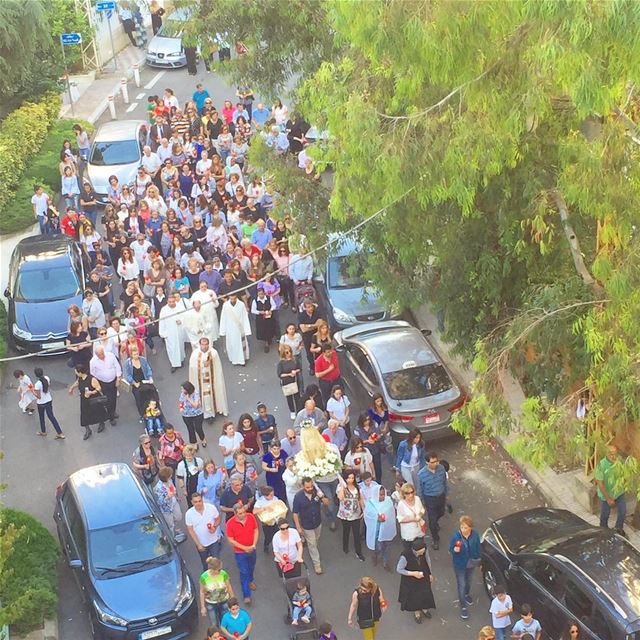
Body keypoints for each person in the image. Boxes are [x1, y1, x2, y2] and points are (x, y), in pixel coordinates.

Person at [292, 477, 330, 575]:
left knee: (316, 540)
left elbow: (327, 503)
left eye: (311, 486)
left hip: (317, 522)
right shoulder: (298, 497)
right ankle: (317, 564)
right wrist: (298, 527)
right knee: (312, 544)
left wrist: (322, 497)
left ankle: (313, 550)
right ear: (303, 486)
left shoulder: (317, 492)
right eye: (307, 487)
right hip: (306, 524)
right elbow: (295, 513)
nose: (310, 489)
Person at [449, 515, 482, 620]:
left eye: (466, 527)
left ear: (470, 528)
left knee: (469, 581)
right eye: (462, 527)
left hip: (471, 562)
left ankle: (467, 594)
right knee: (461, 584)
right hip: (460, 564)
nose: (463, 530)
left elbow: (478, 548)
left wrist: (479, 560)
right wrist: (454, 550)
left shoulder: (475, 535)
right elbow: (451, 549)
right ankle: (463, 606)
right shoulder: (456, 537)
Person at [226, 503, 259, 605]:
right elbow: (231, 540)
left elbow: (256, 530)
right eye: (240, 513)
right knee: (244, 571)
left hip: (252, 549)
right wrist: (245, 548)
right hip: (240, 552)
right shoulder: (230, 523)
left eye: (244, 512)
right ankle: (247, 595)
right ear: (235, 514)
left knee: (251, 567)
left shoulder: (251, 517)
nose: (243, 515)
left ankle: (251, 580)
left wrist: (253, 544)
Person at [396, 539, 436, 624]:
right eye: (421, 552)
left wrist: (430, 573)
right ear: (416, 551)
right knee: (414, 596)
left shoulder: (424, 550)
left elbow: (427, 560)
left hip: (423, 574)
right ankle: (417, 612)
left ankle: (425, 609)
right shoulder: (405, 555)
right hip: (411, 579)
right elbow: (399, 569)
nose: (422, 553)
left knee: (425, 592)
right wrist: (413, 573)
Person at [417, 451, 448, 550]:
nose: (435, 464)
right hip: (430, 499)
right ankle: (435, 539)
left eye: (436, 461)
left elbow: (444, 482)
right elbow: (420, 489)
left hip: (441, 496)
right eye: (433, 462)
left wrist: (446, 494)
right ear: (427, 463)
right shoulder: (421, 474)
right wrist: (420, 503)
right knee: (432, 522)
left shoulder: (441, 469)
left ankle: (436, 522)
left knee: (441, 513)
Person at [595, 444, 627, 535]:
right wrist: (608, 498)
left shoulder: (619, 462)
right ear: (606, 454)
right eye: (611, 454)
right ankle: (603, 531)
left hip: (619, 493)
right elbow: (600, 483)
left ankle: (618, 528)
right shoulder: (601, 465)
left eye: (615, 454)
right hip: (606, 495)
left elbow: (623, 475)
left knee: (623, 511)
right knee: (605, 514)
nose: (614, 456)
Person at [186, 492, 223, 569]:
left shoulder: (211, 508)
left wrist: (215, 527)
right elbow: (190, 530)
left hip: (213, 541)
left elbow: (218, 519)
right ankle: (208, 579)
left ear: (202, 500)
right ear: (192, 502)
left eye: (200, 501)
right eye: (195, 502)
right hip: (201, 543)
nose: (198, 503)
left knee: (216, 562)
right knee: (205, 563)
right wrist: (198, 544)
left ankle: (218, 578)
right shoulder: (189, 514)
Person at [364, 485, 396, 570]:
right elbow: (367, 515)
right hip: (376, 532)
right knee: (378, 547)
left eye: (383, 494)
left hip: (386, 529)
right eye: (380, 495)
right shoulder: (370, 503)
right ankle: (375, 556)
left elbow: (391, 513)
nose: (382, 496)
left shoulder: (388, 501)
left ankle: (385, 562)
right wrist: (376, 518)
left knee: (387, 546)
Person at [69, 363, 104, 440]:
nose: (75, 373)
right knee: (84, 414)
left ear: (80, 372)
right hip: (84, 399)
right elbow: (77, 382)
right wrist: (72, 388)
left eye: (76, 372)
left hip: (93, 399)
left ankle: (101, 423)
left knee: (97, 411)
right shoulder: (80, 378)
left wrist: (91, 392)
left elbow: (99, 388)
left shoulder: (92, 379)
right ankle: (88, 430)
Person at [89, 345, 121, 426]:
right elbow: (92, 373)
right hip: (103, 382)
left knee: (113, 398)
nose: (102, 356)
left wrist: (118, 378)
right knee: (109, 399)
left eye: (102, 354)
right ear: (96, 355)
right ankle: (111, 417)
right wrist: (97, 383)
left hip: (113, 381)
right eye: (99, 355)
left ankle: (112, 411)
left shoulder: (111, 355)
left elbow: (117, 366)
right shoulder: (93, 361)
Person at [337, 469, 365, 561]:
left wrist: (363, 510)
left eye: (352, 478)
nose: (351, 480)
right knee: (346, 531)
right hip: (345, 514)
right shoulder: (341, 487)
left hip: (356, 514)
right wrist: (342, 486)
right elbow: (340, 497)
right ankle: (345, 546)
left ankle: (359, 552)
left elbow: (360, 499)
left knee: (356, 534)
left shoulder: (357, 487)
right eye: (349, 478)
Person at [200, 557, 234, 628]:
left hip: (224, 601)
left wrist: (233, 598)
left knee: (225, 621)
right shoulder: (204, 577)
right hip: (211, 603)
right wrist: (203, 607)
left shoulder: (223, 574)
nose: (221, 570)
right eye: (219, 569)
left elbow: (228, 586)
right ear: (212, 570)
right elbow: (202, 592)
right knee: (214, 624)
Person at [123, 344, 154, 421]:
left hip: (145, 381)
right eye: (134, 354)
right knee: (139, 400)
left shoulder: (143, 359)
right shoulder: (128, 363)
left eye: (137, 353)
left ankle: (152, 412)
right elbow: (128, 375)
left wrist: (150, 377)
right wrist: (134, 383)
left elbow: (148, 368)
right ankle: (142, 415)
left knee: (150, 397)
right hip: (136, 384)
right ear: (131, 355)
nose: (136, 355)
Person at [253, 485, 288, 553]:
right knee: (268, 536)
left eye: (273, 494)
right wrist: (264, 508)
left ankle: (279, 548)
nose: (272, 496)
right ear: (265, 496)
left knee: (278, 534)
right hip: (267, 523)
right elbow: (254, 511)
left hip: (276, 520)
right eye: (270, 495)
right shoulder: (260, 501)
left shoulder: (275, 498)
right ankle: (266, 545)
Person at [155, 466, 186, 542]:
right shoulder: (158, 488)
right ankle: (171, 539)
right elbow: (159, 502)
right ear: (166, 477)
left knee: (179, 517)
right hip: (167, 509)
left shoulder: (170, 481)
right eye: (170, 475)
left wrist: (176, 496)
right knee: (170, 525)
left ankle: (174, 526)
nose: (171, 476)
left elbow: (173, 489)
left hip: (174, 503)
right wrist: (167, 497)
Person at [219, 293, 252, 365]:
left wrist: (247, 330)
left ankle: (242, 360)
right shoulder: (225, 305)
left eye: (234, 299)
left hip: (239, 329)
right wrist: (222, 331)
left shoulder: (241, 304)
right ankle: (234, 359)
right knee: (232, 344)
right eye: (231, 299)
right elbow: (223, 318)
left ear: (236, 297)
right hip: (230, 329)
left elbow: (245, 317)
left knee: (240, 344)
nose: (233, 300)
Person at [32, 368, 65, 439]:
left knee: (41, 417)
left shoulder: (37, 384)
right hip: (48, 400)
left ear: (36, 375)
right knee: (51, 417)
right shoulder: (47, 378)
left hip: (41, 403)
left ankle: (43, 432)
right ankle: (60, 433)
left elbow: (39, 396)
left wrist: (32, 391)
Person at [159, 294, 187, 372]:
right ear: (167, 302)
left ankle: (181, 360)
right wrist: (163, 333)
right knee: (171, 348)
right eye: (170, 302)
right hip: (169, 332)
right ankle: (174, 364)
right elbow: (162, 321)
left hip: (179, 331)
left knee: (180, 346)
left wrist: (181, 320)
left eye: (173, 302)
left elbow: (185, 316)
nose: (171, 303)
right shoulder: (164, 310)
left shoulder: (180, 307)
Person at [395, 482, 426, 548]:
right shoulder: (401, 504)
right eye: (407, 493)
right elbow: (400, 519)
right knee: (409, 551)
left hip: (419, 531)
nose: (410, 495)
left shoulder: (417, 499)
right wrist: (413, 519)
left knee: (420, 549)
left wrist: (419, 515)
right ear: (403, 494)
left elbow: (422, 509)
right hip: (408, 533)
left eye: (412, 492)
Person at [354, 413, 383, 482]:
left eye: (368, 420)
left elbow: (379, 434)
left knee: (378, 467)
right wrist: (367, 441)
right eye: (365, 420)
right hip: (365, 452)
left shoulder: (374, 425)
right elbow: (356, 441)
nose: (367, 422)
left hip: (375, 450)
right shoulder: (357, 429)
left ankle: (378, 482)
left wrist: (376, 438)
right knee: (366, 467)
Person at [277, 344, 303, 419]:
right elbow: (280, 374)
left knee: (297, 396)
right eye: (286, 352)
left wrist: (295, 371)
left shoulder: (294, 359)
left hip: (294, 380)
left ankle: (299, 410)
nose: (289, 354)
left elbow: (299, 368)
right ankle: (292, 411)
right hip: (286, 382)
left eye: (289, 352)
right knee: (289, 398)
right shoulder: (281, 363)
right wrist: (289, 374)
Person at [178, 381, 207, 448]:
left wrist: (188, 398)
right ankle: (194, 442)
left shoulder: (195, 393)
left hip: (197, 413)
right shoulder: (183, 394)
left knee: (198, 428)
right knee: (190, 429)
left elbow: (195, 405)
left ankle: (202, 439)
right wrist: (181, 408)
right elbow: (181, 401)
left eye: (183, 389)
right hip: (186, 414)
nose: (182, 390)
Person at [251, 285, 277, 352]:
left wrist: (271, 310)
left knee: (270, 328)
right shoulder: (255, 301)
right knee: (263, 330)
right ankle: (266, 343)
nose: (261, 295)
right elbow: (253, 310)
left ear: (264, 293)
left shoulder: (269, 298)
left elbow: (274, 305)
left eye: (262, 294)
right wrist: (260, 312)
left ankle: (269, 338)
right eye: (259, 294)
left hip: (269, 317)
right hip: (261, 319)